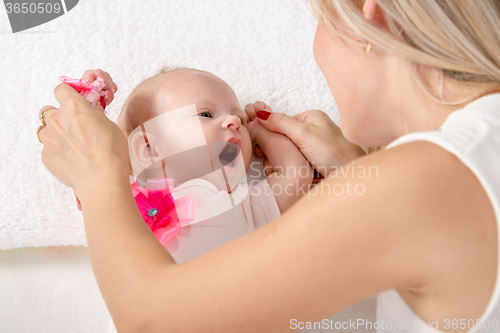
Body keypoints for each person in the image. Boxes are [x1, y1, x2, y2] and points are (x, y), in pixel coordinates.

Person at [37, 0, 500, 332]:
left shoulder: (420, 181)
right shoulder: (455, 163)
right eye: (205, 114)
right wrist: (354, 168)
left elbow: (150, 321)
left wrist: (99, 177)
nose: (233, 123)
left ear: (367, 12)